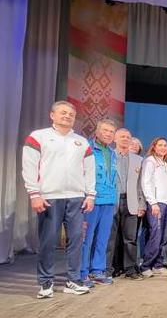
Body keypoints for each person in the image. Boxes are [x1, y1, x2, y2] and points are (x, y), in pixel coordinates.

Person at [22, 101, 94, 298]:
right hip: (50, 197)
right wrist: (34, 194)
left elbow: (89, 171)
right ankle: (46, 282)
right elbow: (29, 166)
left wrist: (90, 195)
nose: (67, 116)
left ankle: (73, 280)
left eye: (71, 114)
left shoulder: (81, 142)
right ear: (52, 115)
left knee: (76, 241)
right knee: (48, 242)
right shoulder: (39, 136)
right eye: (63, 112)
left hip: (76, 198)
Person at [81, 119, 118, 286]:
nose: (108, 134)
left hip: (108, 200)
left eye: (111, 131)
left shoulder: (112, 152)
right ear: (97, 131)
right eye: (105, 130)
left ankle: (97, 270)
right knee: (86, 238)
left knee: (102, 238)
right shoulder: (87, 148)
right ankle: (82, 272)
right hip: (91, 200)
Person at [106, 128, 146, 280]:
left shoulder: (138, 160)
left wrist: (142, 204)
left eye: (128, 137)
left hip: (132, 202)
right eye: (122, 136)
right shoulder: (108, 155)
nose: (125, 139)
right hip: (111, 201)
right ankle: (109, 269)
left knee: (130, 239)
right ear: (115, 139)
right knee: (111, 238)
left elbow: (141, 185)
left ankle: (130, 269)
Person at [140, 137, 167, 277]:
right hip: (156, 203)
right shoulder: (150, 161)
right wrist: (153, 202)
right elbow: (146, 182)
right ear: (154, 146)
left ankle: (157, 265)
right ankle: (145, 266)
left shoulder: (166, 164)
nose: (163, 147)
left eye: (165, 145)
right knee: (155, 234)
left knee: (163, 236)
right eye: (160, 145)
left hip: (166, 203)